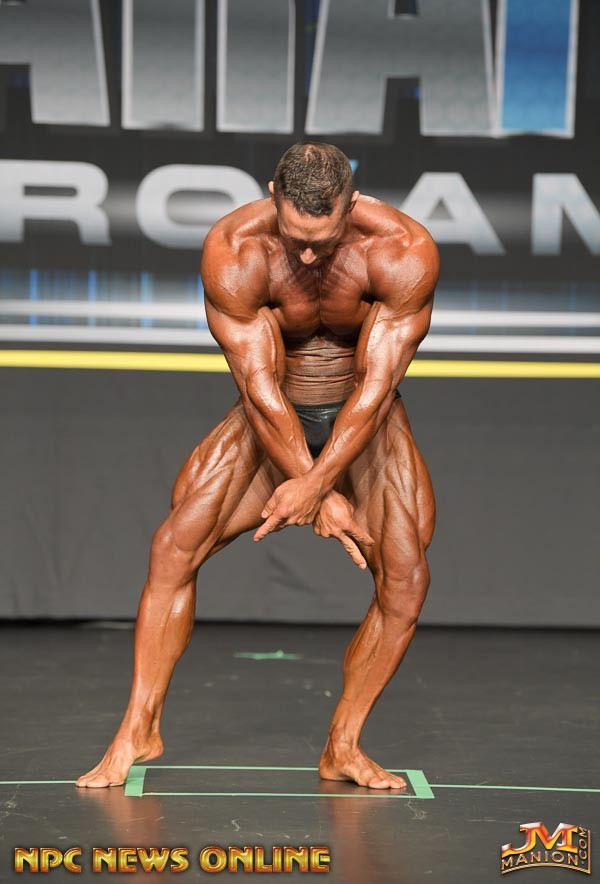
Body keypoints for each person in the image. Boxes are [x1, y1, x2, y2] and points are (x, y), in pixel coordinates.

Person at [77, 142, 439, 791]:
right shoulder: (235, 250)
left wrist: (320, 483)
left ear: (352, 206)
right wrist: (313, 487)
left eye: (323, 242)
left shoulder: (403, 250)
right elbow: (258, 385)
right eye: (296, 240)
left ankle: (343, 745)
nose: (309, 257)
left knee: (407, 581)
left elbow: (377, 387)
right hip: (271, 417)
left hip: (366, 422)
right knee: (174, 548)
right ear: (273, 197)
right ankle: (138, 730)